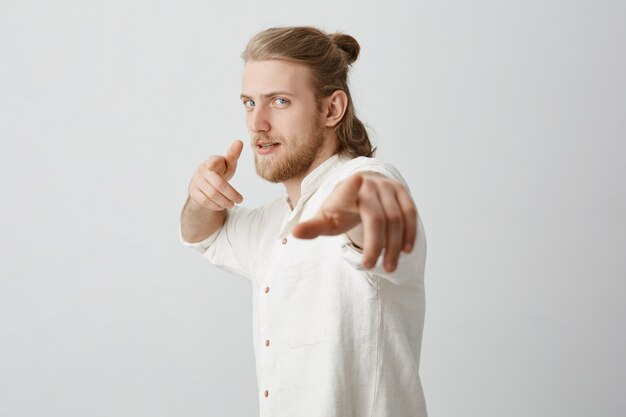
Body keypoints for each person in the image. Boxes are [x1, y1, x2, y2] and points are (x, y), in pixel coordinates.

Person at [179, 26, 427, 417]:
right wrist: (199, 199)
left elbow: (376, 211)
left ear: (331, 109)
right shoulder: (273, 221)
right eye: (248, 102)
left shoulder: (366, 178)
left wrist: (361, 204)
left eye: (279, 101)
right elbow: (203, 237)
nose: (256, 123)